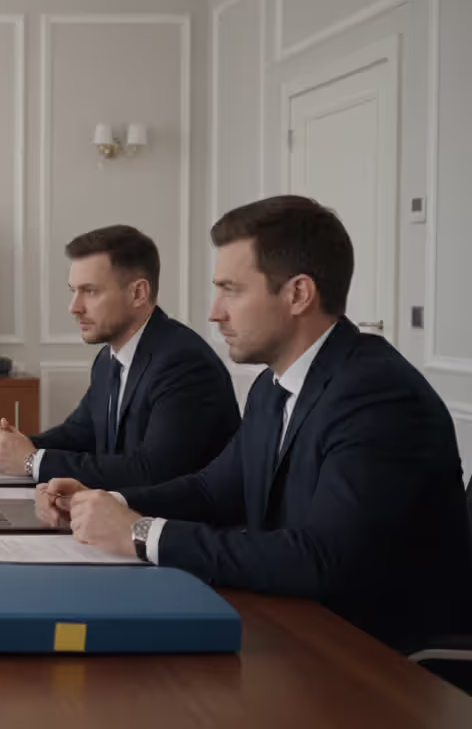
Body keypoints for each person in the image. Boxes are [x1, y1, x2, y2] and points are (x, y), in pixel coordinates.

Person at [35, 196, 472, 652]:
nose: (214, 311)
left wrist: (140, 533)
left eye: (232, 289)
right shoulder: (272, 387)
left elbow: (322, 559)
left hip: (381, 665)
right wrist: (102, 502)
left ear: (298, 294)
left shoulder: (378, 395)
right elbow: (212, 490)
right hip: (297, 634)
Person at [0, 226, 239, 488]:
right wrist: (10, 446)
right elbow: (80, 434)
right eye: (74, 291)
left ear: (138, 293)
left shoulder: (183, 363)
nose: (74, 307)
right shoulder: (107, 359)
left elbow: (153, 472)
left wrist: (32, 461)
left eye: (90, 291)